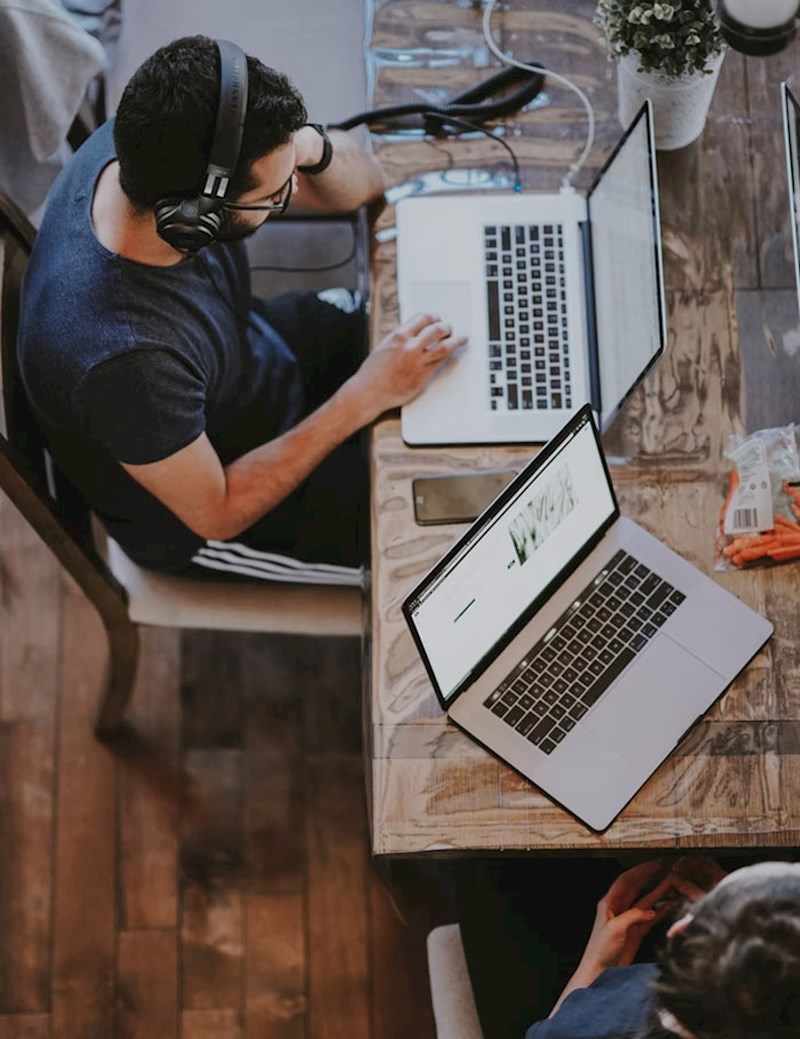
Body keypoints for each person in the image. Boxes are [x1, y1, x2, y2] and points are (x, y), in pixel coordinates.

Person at [17, 35, 465, 582]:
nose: (291, 192)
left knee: (452, 343)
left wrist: (303, 146)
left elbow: (368, 182)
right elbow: (219, 511)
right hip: (219, 503)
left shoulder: (157, 139)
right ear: (195, 219)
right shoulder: (125, 363)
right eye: (275, 195)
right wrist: (364, 396)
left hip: (248, 360)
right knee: (445, 534)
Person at [457, 854, 800, 1039]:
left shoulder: (601, 1023)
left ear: (681, 932)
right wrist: (736, 932)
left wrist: (596, 964)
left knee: (482, 870)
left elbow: (553, 1033)